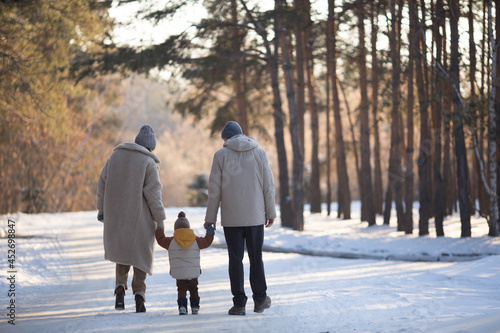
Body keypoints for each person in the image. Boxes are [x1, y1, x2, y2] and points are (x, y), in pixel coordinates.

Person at [204, 121, 276, 316]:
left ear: (226, 138)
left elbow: (214, 191)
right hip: (255, 217)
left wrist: (210, 218)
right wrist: (270, 212)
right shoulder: (259, 152)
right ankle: (260, 300)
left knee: (235, 260)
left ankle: (239, 304)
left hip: (232, 219)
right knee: (256, 258)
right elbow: (268, 186)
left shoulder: (220, 155)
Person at [96, 125, 166, 313]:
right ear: (151, 147)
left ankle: (120, 287)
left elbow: (102, 183)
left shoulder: (115, 157)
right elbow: (153, 195)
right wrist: (160, 220)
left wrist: (101, 209)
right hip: (141, 216)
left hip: (117, 214)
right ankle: (139, 295)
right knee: (140, 254)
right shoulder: (148, 163)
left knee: (122, 251)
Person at [155, 211, 215, 315]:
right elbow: (207, 241)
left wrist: (159, 228)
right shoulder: (196, 240)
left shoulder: (170, 242)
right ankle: (195, 307)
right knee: (194, 289)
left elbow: (160, 240)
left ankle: (182, 307)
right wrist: (210, 230)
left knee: (181, 289)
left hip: (179, 273)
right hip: (193, 272)